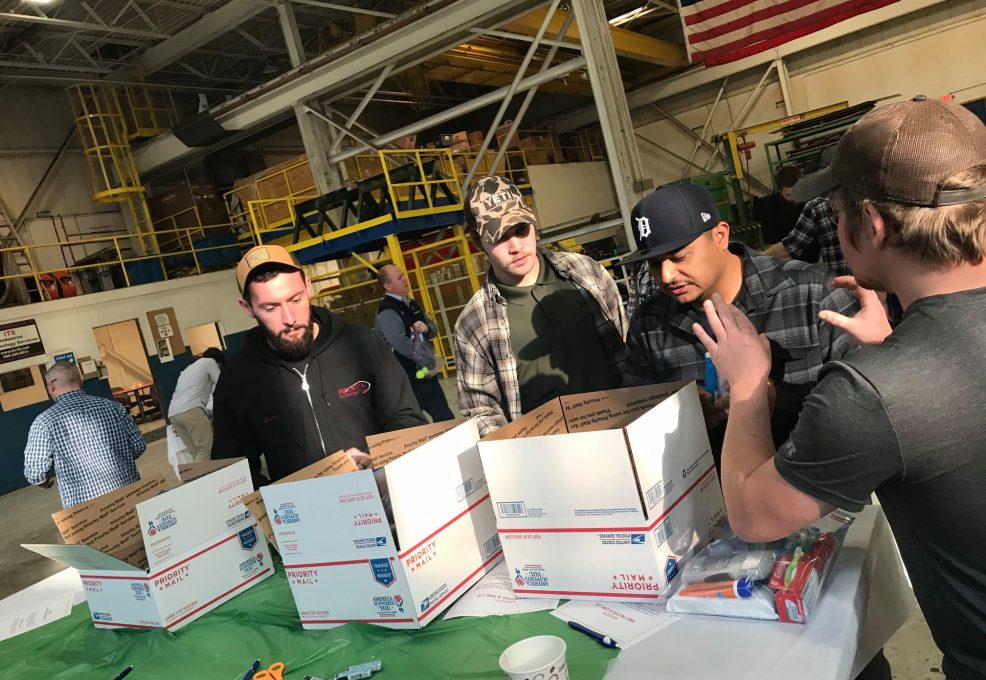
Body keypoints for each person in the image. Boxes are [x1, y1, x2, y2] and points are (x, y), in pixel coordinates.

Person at [695, 96, 986, 679]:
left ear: (872, 224)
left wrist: (749, 384)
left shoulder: (870, 395)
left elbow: (755, 515)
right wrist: (891, 356)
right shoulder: (895, 378)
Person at [622, 183, 859, 461]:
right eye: (653, 264)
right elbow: (638, 419)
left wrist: (775, 399)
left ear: (720, 235)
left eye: (678, 257)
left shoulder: (811, 296)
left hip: (817, 483)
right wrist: (681, 415)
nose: (666, 275)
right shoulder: (649, 326)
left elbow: (866, 403)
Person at [211, 244, 426, 485]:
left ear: (308, 287)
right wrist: (281, 503)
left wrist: (378, 462)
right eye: (270, 308)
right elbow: (232, 471)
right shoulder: (239, 378)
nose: (289, 319)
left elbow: (406, 417)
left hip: (382, 501)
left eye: (295, 299)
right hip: (303, 517)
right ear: (247, 307)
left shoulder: (361, 343)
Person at [455, 175, 628, 436]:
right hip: (546, 457)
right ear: (478, 243)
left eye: (521, 229)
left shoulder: (586, 273)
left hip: (620, 428)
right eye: (499, 237)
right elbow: (482, 412)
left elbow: (628, 346)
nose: (516, 246)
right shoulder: (474, 322)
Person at [23, 361, 146, 508]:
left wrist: (43, 482)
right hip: (128, 492)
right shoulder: (113, 407)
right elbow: (138, 445)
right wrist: (118, 458)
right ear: (79, 380)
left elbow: (35, 471)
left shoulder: (45, 421)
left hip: (85, 509)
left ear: (51, 385)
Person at [375, 263, 454, 422]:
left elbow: (433, 328)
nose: (405, 279)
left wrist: (426, 329)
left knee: (445, 418)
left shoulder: (412, 303)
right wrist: (430, 362)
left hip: (426, 375)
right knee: (415, 426)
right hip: (407, 380)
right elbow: (402, 344)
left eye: (403, 275)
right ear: (388, 286)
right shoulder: (387, 311)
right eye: (399, 277)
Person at [763, 148, 851, 277]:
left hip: (843, 285)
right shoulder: (870, 197)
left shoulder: (817, 206)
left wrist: (758, 258)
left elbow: (791, 246)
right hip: (875, 283)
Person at [167, 347, 224, 460]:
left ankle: (197, 476)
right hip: (191, 410)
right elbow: (222, 384)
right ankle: (203, 478)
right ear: (218, 362)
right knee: (204, 449)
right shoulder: (210, 362)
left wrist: (208, 412)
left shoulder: (190, 367)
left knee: (195, 452)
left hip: (173, 414)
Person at [754, 165, 819, 263]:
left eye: (798, 192)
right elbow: (773, 244)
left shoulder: (813, 203)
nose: (795, 197)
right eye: (789, 195)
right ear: (780, 191)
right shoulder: (770, 208)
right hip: (787, 260)